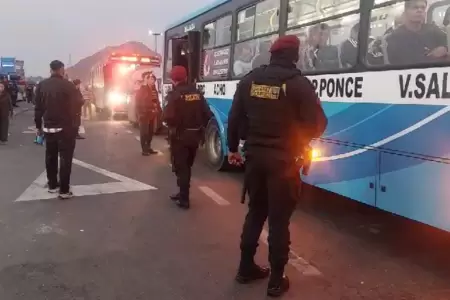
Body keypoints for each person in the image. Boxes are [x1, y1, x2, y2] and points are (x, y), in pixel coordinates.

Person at [227, 35, 327, 297]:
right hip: (284, 162)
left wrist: (232, 148)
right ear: (294, 55)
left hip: (255, 159)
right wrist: (299, 138)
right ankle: (276, 280)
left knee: (256, 212)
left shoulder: (249, 80)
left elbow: (235, 117)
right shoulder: (299, 84)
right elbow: (318, 124)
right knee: (279, 221)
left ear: (271, 54)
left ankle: (245, 267)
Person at [162, 66, 212, 209]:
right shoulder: (197, 93)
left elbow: (167, 117)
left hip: (179, 137)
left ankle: (184, 199)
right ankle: (181, 192)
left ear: (172, 79)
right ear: (185, 77)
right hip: (195, 136)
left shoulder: (174, 95)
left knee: (181, 167)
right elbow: (207, 114)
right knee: (187, 166)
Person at [34, 60, 82, 199]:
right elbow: (77, 104)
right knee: (65, 159)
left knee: (50, 157)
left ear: (50, 70)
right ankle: (64, 190)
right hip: (65, 128)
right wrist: (74, 124)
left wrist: (38, 127)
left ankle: (52, 185)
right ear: (62, 70)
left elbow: (38, 109)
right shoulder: (68, 86)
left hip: (48, 128)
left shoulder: (41, 85)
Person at [136, 72, 161, 155]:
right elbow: (138, 102)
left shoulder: (154, 90)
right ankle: (144, 149)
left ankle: (149, 147)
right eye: (151, 79)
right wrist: (140, 112)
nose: (152, 81)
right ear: (147, 80)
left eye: (153, 79)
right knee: (144, 133)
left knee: (150, 132)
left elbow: (157, 102)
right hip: (144, 114)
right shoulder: (142, 89)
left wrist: (158, 110)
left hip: (152, 114)